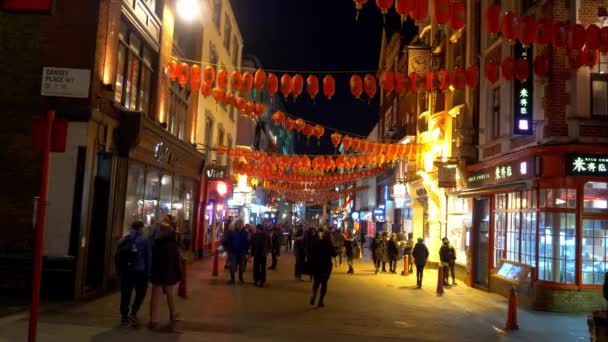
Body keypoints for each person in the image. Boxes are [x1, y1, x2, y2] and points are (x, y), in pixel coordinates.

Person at [149, 216, 182, 329]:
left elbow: (151, 258)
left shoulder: (155, 243)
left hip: (157, 271)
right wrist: (179, 274)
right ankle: (173, 315)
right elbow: (176, 262)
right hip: (169, 272)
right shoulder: (172, 245)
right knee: (170, 295)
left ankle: (154, 319)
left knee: (155, 296)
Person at [115, 221, 150, 326]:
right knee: (141, 293)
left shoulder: (123, 239)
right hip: (140, 271)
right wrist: (148, 273)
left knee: (125, 294)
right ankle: (133, 312)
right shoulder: (144, 240)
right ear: (140, 228)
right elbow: (148, 259)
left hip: (126, 271)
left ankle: (124, 317)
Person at [309, 226, 337, 308]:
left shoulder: (316, 241)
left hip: (317, 264)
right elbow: (334, 254)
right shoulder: (328, 243)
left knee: (316, 281)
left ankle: (314, 294)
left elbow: (311, 251)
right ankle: (320, 301)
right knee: (324, 283)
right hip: (326, 265)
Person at [225, 220, 249, 284]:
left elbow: (247, 243)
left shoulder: (245, 233)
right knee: (232, 267)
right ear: (236, 224)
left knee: (241, 267)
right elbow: (228, 241)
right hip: (233, 252)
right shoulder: (232, 232)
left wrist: (247, 252)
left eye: (241, 224)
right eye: (239, 224)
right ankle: (232, 279)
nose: (240, 225)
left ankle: (241, 279)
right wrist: (228, 250)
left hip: (242, 252)